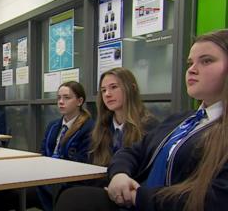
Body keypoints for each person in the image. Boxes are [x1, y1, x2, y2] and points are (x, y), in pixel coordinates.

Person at [55, 29, 228, 211]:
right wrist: (119, 174)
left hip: (154, 202)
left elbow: (215, 199)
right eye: (190, 63)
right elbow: (133, 151)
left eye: (206, 61)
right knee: (73, 196)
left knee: (74, 199)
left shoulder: (216, 129)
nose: (192, 70)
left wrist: (137, 196)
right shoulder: (180, 120)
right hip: (135, 197)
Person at [91, 67, 159, 180]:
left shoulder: (149, 126)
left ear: (131, 89)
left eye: (114, 87)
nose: (107, 94)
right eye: (103, 90)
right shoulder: (102, 127)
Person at [38, 81, 95, 211]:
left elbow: (82, 162)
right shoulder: (52, 125)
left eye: (67, 98)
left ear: (79, 101)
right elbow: (43, 151)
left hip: (70, 179)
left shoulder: (89, 127)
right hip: (48, 174)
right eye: (59, 98)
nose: (61, 102)